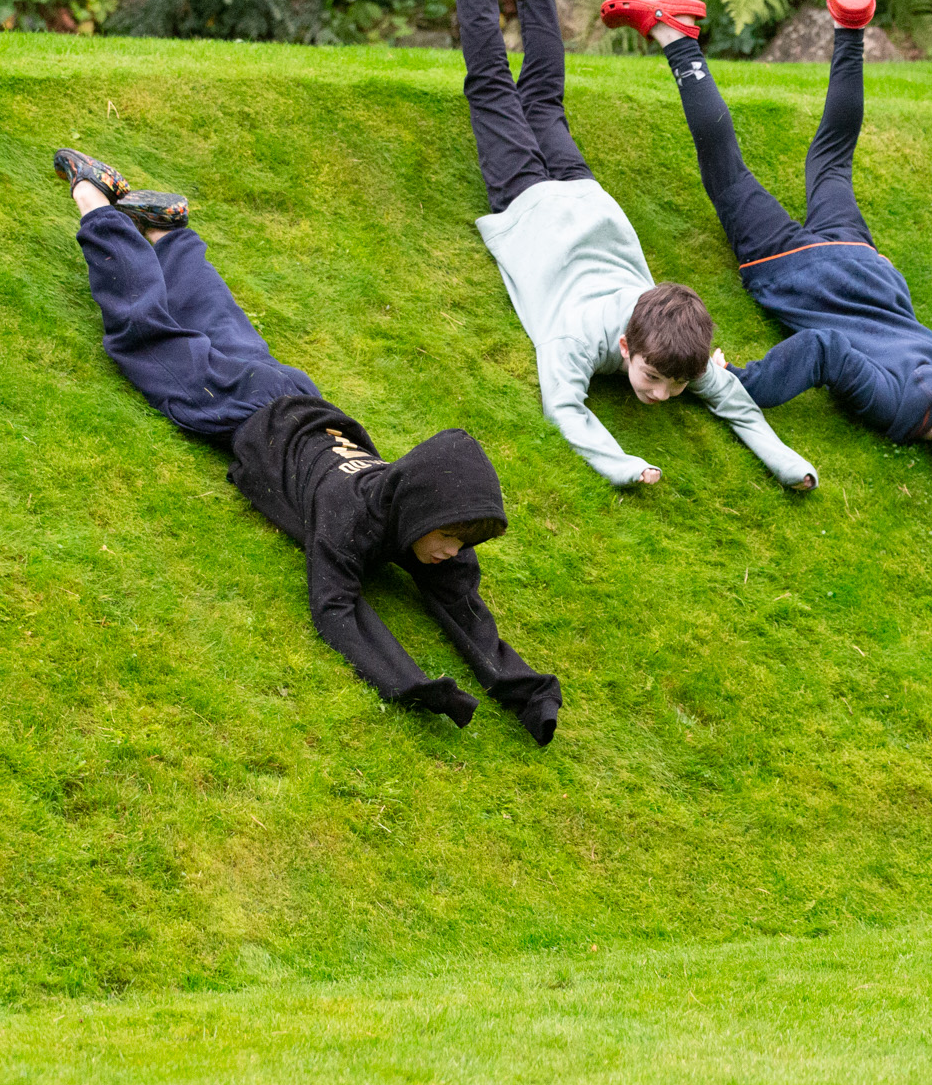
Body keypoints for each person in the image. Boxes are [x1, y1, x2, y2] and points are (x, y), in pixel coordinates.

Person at [53, 149, 563, 745]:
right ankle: (95, 201)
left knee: (221, 326)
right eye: (452, 536)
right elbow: (336, 608)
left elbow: (466, 610)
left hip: (292, 393)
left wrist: (528, 692)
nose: (454, 551)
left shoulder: (424, 510)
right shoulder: (350, 516)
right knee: (145, 333)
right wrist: (412, 684)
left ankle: (167, 231)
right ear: (424, 511)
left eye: (464, 541)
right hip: (240, 411)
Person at [601, 0, 932, 516]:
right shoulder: (897, 406)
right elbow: (826, 349)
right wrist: (741, 383)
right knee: (726, 172)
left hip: (865, 264)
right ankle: (676, 35)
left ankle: (849, 26)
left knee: (833, 160)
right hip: (796, 268)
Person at [420, 0, 818, 493]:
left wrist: (791, 463)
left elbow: (734, 403)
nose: (662, 396)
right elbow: (565, 408)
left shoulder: (678, 346)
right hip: (531, 205)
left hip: (584, 197)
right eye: (655, 379)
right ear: (627, 346)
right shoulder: (576, 340)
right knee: (493, 87)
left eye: (674, 387)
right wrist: (624, 465)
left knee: (543, 97)